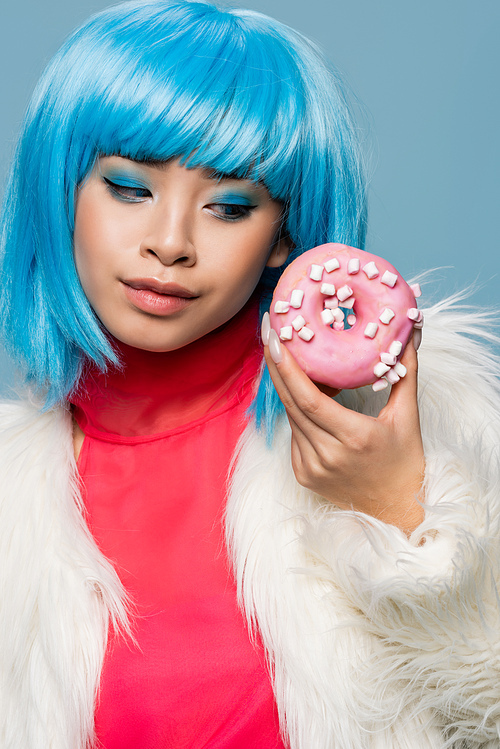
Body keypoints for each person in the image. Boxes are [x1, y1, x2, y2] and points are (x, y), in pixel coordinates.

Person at [0, 1, 499, 747]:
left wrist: (402, 513)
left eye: (229, 206)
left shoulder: (407, 423)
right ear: (61, 190)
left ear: (282, 237)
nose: (170, 243)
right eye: (130, 189)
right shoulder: (13, 490)